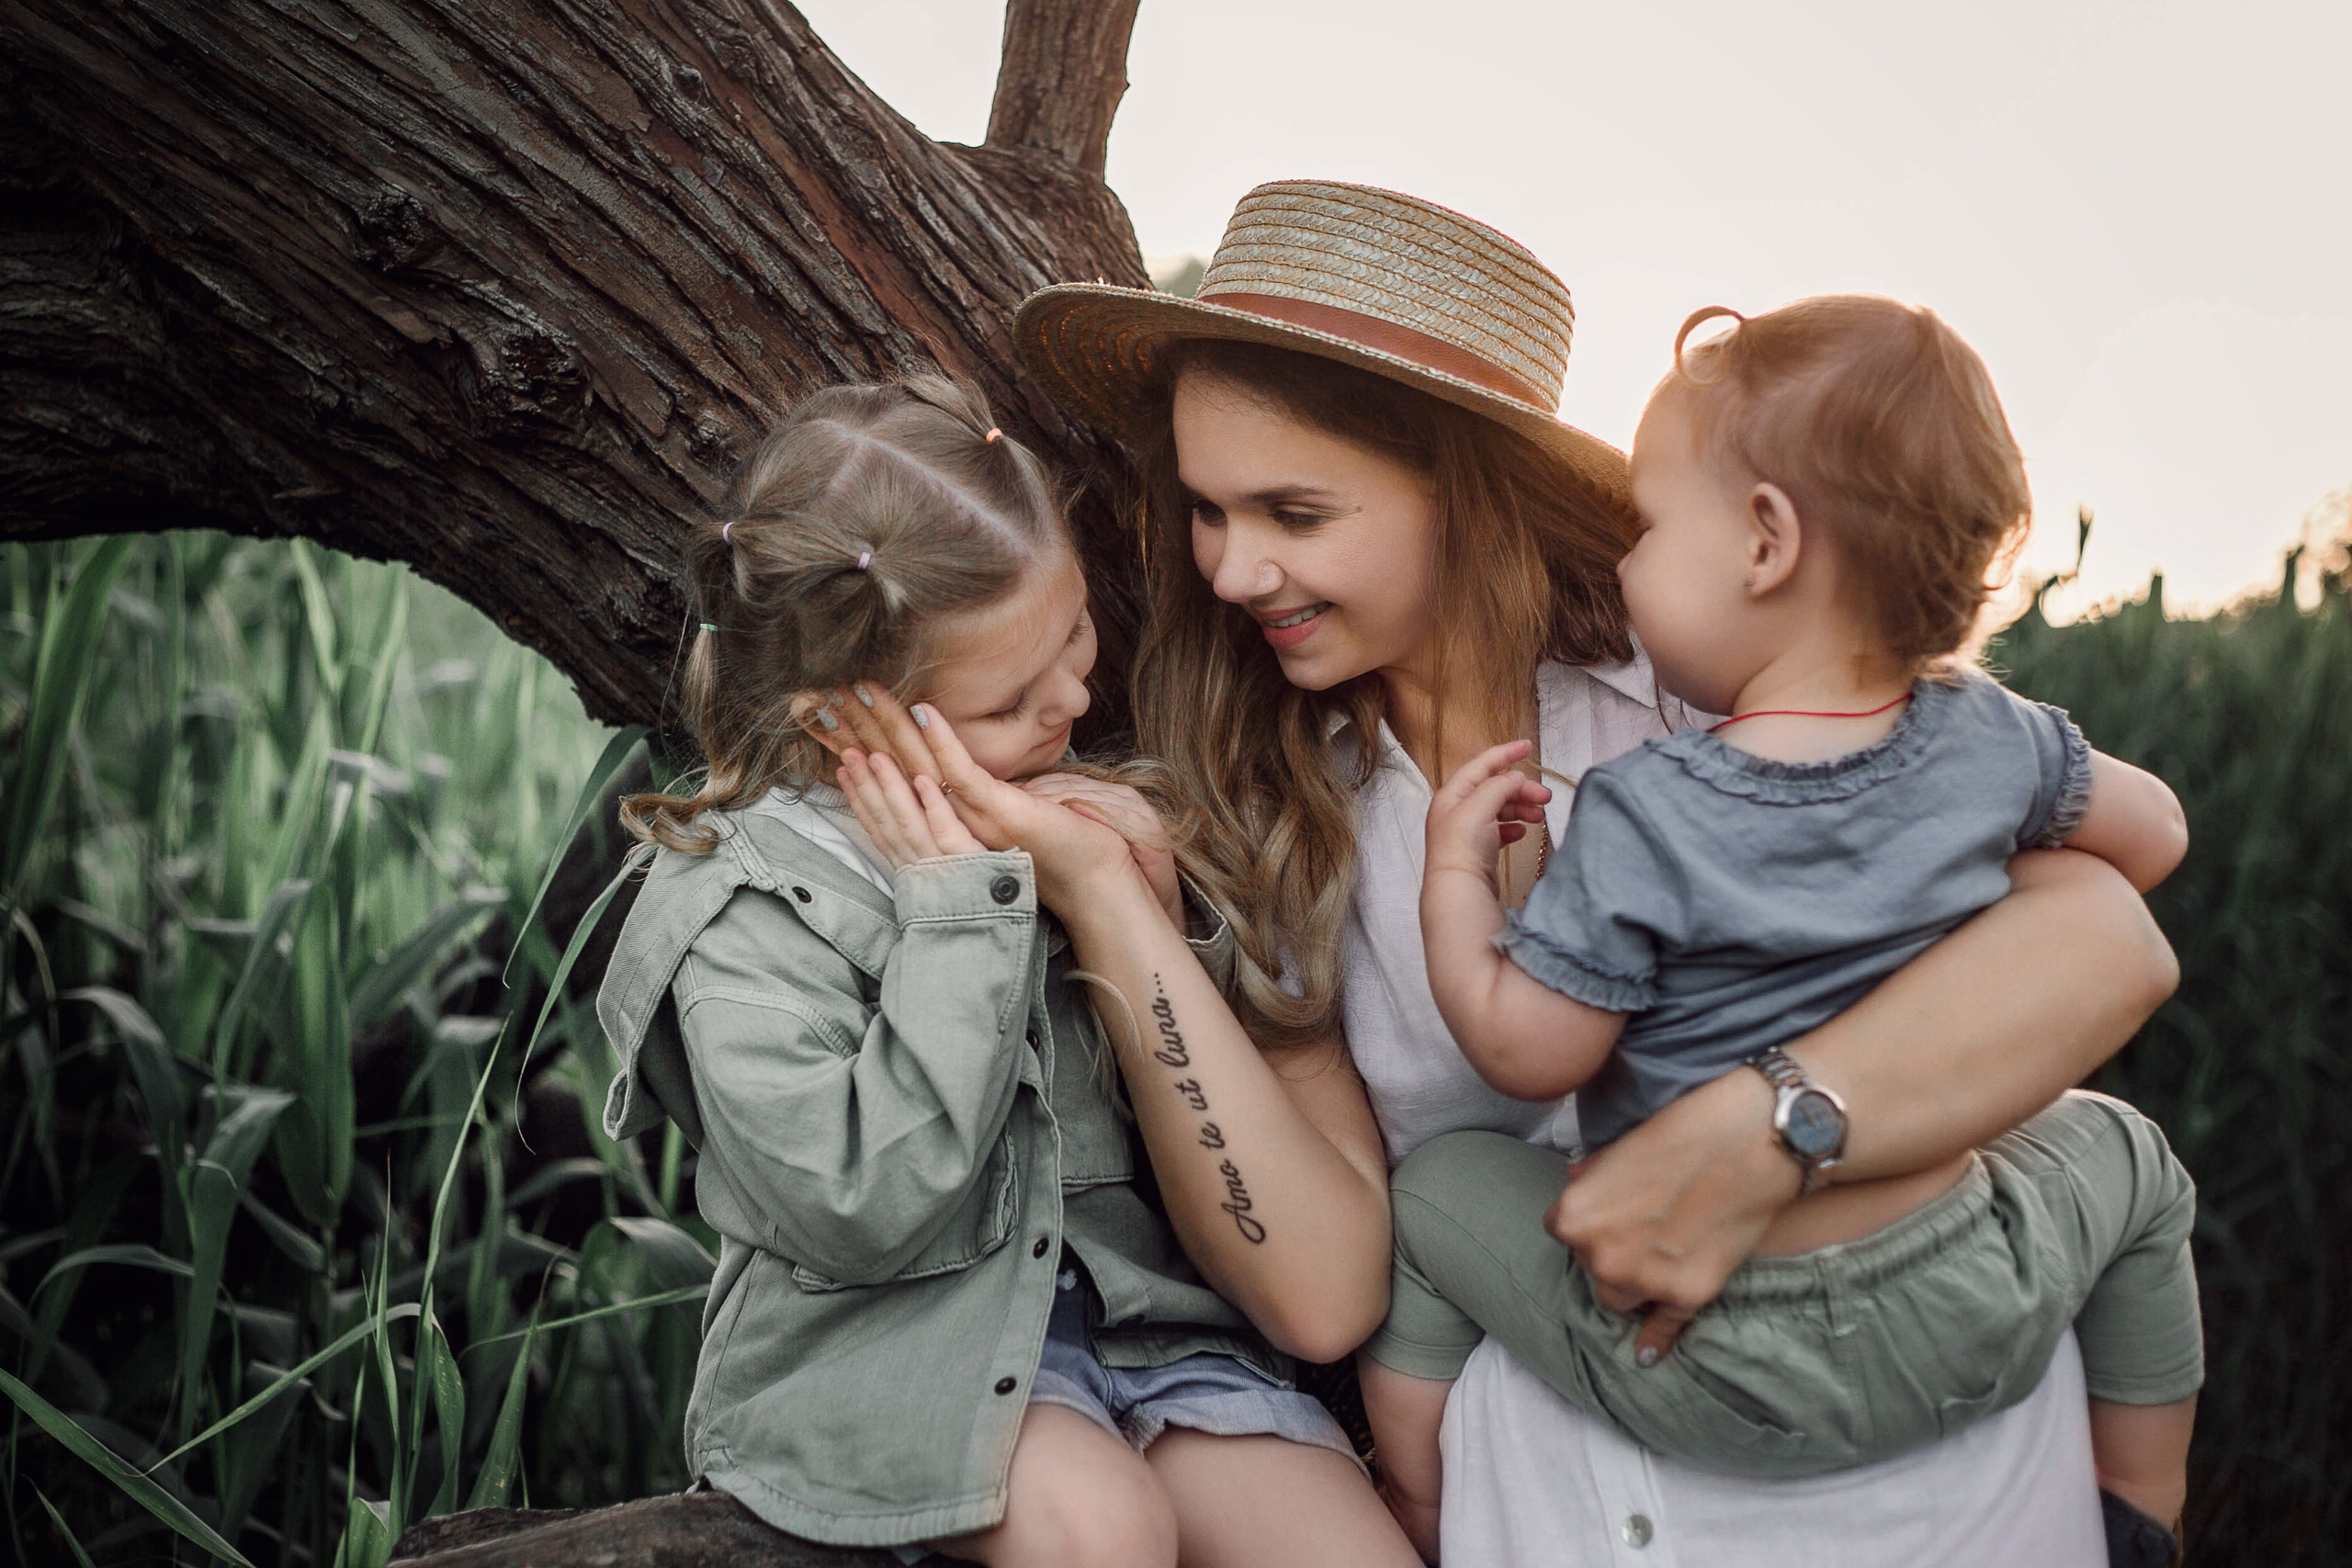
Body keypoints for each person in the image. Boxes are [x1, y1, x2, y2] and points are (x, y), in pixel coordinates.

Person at [1011, 180, 2188, 1567]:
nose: (1229, 568)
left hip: (1941, 1445)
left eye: (1293, 511)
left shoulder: (1706, 691)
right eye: (1205, 512)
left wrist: (1767, 1132)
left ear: (1461, 490)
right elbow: (1326, 1298)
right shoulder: (1286, 803)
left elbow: (2111, 928)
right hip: (1569, 1462)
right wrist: (1111, 906)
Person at [1360, 294, 2200, 1556]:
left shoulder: (1651, 808)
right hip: (1975, 1294)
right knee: (2132, 1162)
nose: (1627, 561)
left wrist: (1452, 888)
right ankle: (2145, 1504)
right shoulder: (1993, 735)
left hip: (1711, 1351)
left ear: (1764, 543)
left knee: (1432, 1200)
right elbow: (2155, 840)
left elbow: (1531, 1053)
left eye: (1644, 526)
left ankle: (1417, 1509)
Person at [594, 376, 1419, 1567]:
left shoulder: (1062, 801)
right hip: (898, 1348)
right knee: (1101, 1533)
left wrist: (1159, 905)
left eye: (1075, 634)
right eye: (1007, 702)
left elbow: (1209, 1098)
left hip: (1145, 1338)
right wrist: (954, 917)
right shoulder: (749, 901)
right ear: (841, 724)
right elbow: (857, 1208)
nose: (1076, 700)